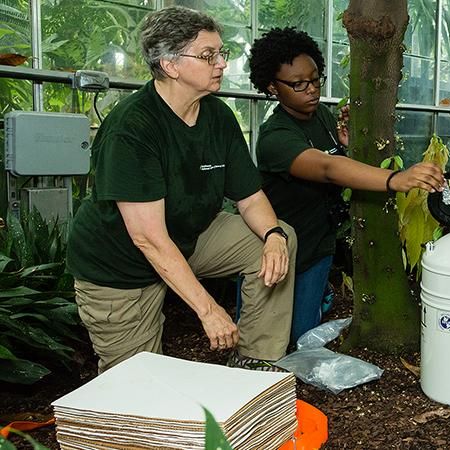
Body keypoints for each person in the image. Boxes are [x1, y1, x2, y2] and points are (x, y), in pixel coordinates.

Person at [67, 6, 297, 373]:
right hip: (121, 267)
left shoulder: (218, 116)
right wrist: (208, 310)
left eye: (222, 53)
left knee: (279, 237)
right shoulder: (133, 127)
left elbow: (250, 197)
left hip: (188, 238)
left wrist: (272, 234)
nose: (221, 63)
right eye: (208, 56)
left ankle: (255, 363)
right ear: (170, 65)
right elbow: (148, 239)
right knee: (137, 387)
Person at [249, 27, 445, 343]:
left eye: (315, 79)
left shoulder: (322, 118)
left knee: (303, 334)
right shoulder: (275, 138)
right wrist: (397, 179)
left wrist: (347, 144)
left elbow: (338, 161)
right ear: (272, 87)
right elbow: (328, 168)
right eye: (298, 84)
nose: (311, 90)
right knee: (272, 337)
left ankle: (318, 298)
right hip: (282, 250)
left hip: (318, 247)